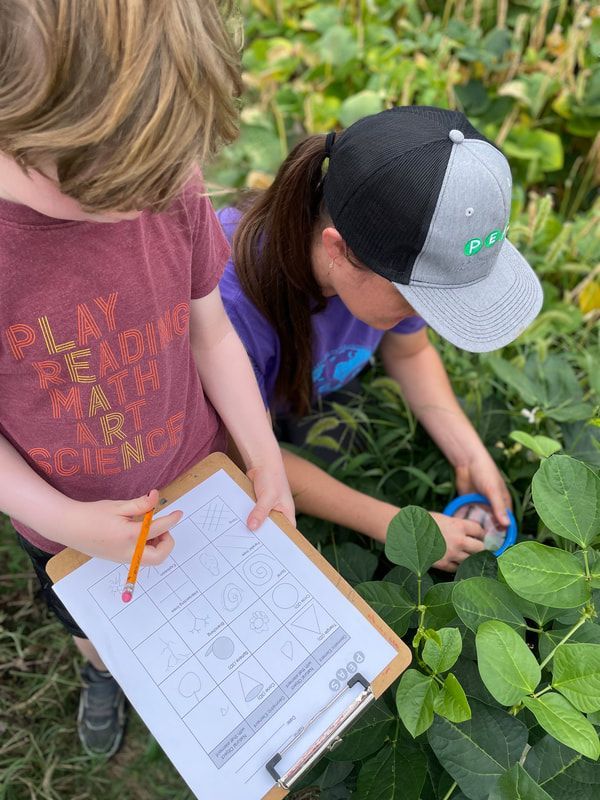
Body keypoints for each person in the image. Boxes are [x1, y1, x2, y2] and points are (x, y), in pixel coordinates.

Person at [0, 1, 294, 759]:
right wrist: (68, 525)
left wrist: (261, 449)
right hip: (62, 519)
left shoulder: (164, 182)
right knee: (100, 626)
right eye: (102, 190)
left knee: (195, 606)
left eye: (158, 177)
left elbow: (212, 331)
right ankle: (105, 672)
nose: (139, 206)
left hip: (195, 474)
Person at [219, 106, 543, 571]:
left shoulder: (387, 250)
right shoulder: (227, 302)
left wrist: (468, 450)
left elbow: (410, 352)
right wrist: (394, 524)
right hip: (239, 426)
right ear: (339, 250)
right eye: (421, 301)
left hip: (314, 386)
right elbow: (247, 455)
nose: (424, 317)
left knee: (343, 447)